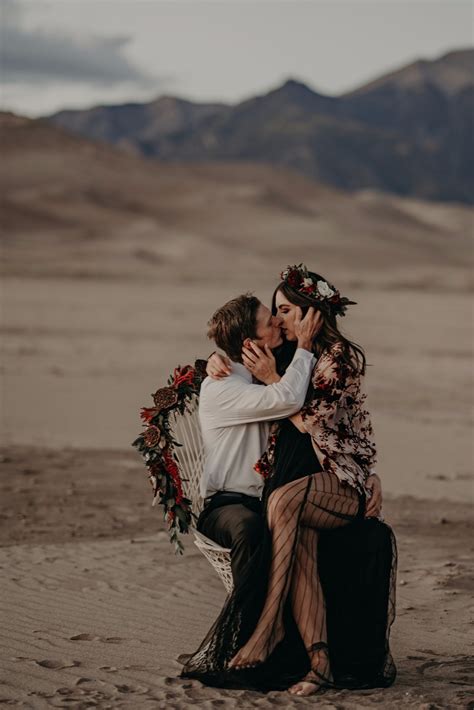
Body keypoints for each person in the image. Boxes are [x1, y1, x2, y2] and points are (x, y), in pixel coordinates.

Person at [180, 266, 395, 697]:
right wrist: (218, 360)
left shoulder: (335, 358)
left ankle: (270, 627)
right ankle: (319, 665)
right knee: (297, 547)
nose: (278, 320)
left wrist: (369, 475)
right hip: (290, 481)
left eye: (284, 311)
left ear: (311, 314)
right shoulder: (283, 357)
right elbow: (251, 375)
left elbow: (322, 422)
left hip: (330, 481)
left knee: (281, 506)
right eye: (273, 314)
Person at [197, 293, 321, 583]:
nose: (278, 321)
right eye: (269, 321)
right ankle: (246, 621)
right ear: (249, 343)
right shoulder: (222, 386)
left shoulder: (259, 373)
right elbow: (288, 399)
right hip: (225, 507)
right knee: (248, 529)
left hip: (268, 503)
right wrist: (304, 345)